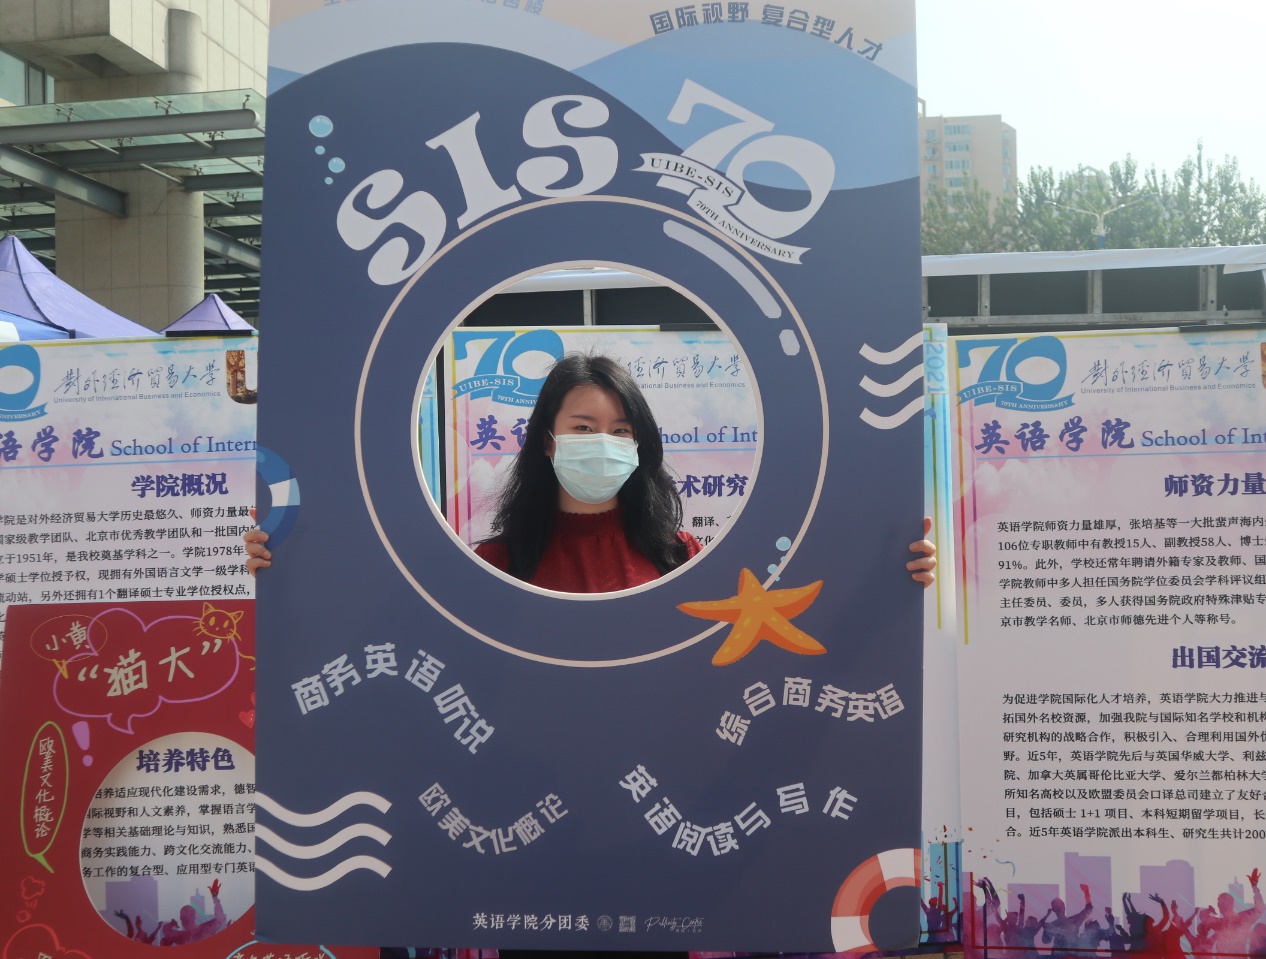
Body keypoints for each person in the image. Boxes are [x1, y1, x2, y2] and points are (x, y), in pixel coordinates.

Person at [246, 353, 938, 590]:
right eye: (583, 428)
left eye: (621, 430)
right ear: (548, 442)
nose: (603, 443)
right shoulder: (493, 565)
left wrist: (889, 574)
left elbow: (783, 621)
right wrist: (293, 565)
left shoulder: (681, 556)